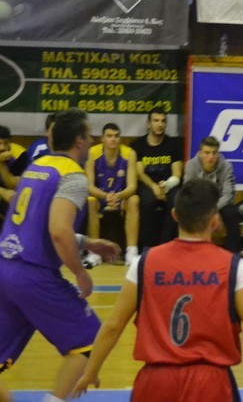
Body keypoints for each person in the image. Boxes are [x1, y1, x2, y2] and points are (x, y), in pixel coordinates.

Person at [70, 178, 243, 402]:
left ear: (175, 215)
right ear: (215, 221)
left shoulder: (143, 263)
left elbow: (113, 325)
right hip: (210, 383)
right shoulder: (235, 267)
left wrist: (91, 372)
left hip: (155, 383)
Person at [0, 109, 120, 401]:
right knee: (91, 341)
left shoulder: (36, 166)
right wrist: (80, 272)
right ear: (79, 141)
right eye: (89, 135)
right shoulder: (73, 176)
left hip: (5, 269)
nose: (91, 141)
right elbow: (58, 230)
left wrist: (86, 242)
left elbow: (36, 226)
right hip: (34, 275)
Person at [84, 123, 140, 265]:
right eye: (109, 136)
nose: (113, 139)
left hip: (120, 196)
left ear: (120, 138)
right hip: (100, 196)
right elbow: (89, 186)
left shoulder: (129, 153)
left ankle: (131, 252)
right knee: (90, 201)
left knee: (134, 200)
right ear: (102, 138)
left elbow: (132, 187)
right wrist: (105, 196)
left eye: (116, 136)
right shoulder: (92, 153)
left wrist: (117, 196)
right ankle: (94, 252)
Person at [132, 109, 183, 249]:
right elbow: (139, 173)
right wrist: (154, 187)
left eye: (163, 121)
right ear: (148, 124)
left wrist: (166, 186)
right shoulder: (138, 145)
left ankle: (166, 245)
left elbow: (177, 174)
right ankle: (146, 246)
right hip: (147, 185)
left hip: (169, 185)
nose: (160, 124)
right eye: (156, 121)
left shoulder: (173, 144)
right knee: (147, 201)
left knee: (177, 200)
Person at [184, 136, 243, 254]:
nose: (211, 157)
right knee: (185, 211)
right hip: (199, 204)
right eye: (207, 153)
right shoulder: (191, 165)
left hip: (220, 204)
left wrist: (213, 210)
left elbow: (228, 195)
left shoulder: (226, 166)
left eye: (214, 153)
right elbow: (189, 192)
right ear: (200, 153)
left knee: (231, 213)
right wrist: (207, 210)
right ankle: (187, 252)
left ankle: (234, 254)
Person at [0, 125, 28, 219]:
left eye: (6, 143)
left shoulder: (19, 155)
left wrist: (1, 165)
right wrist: (2, 192)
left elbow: (14, 185)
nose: (2, 148)